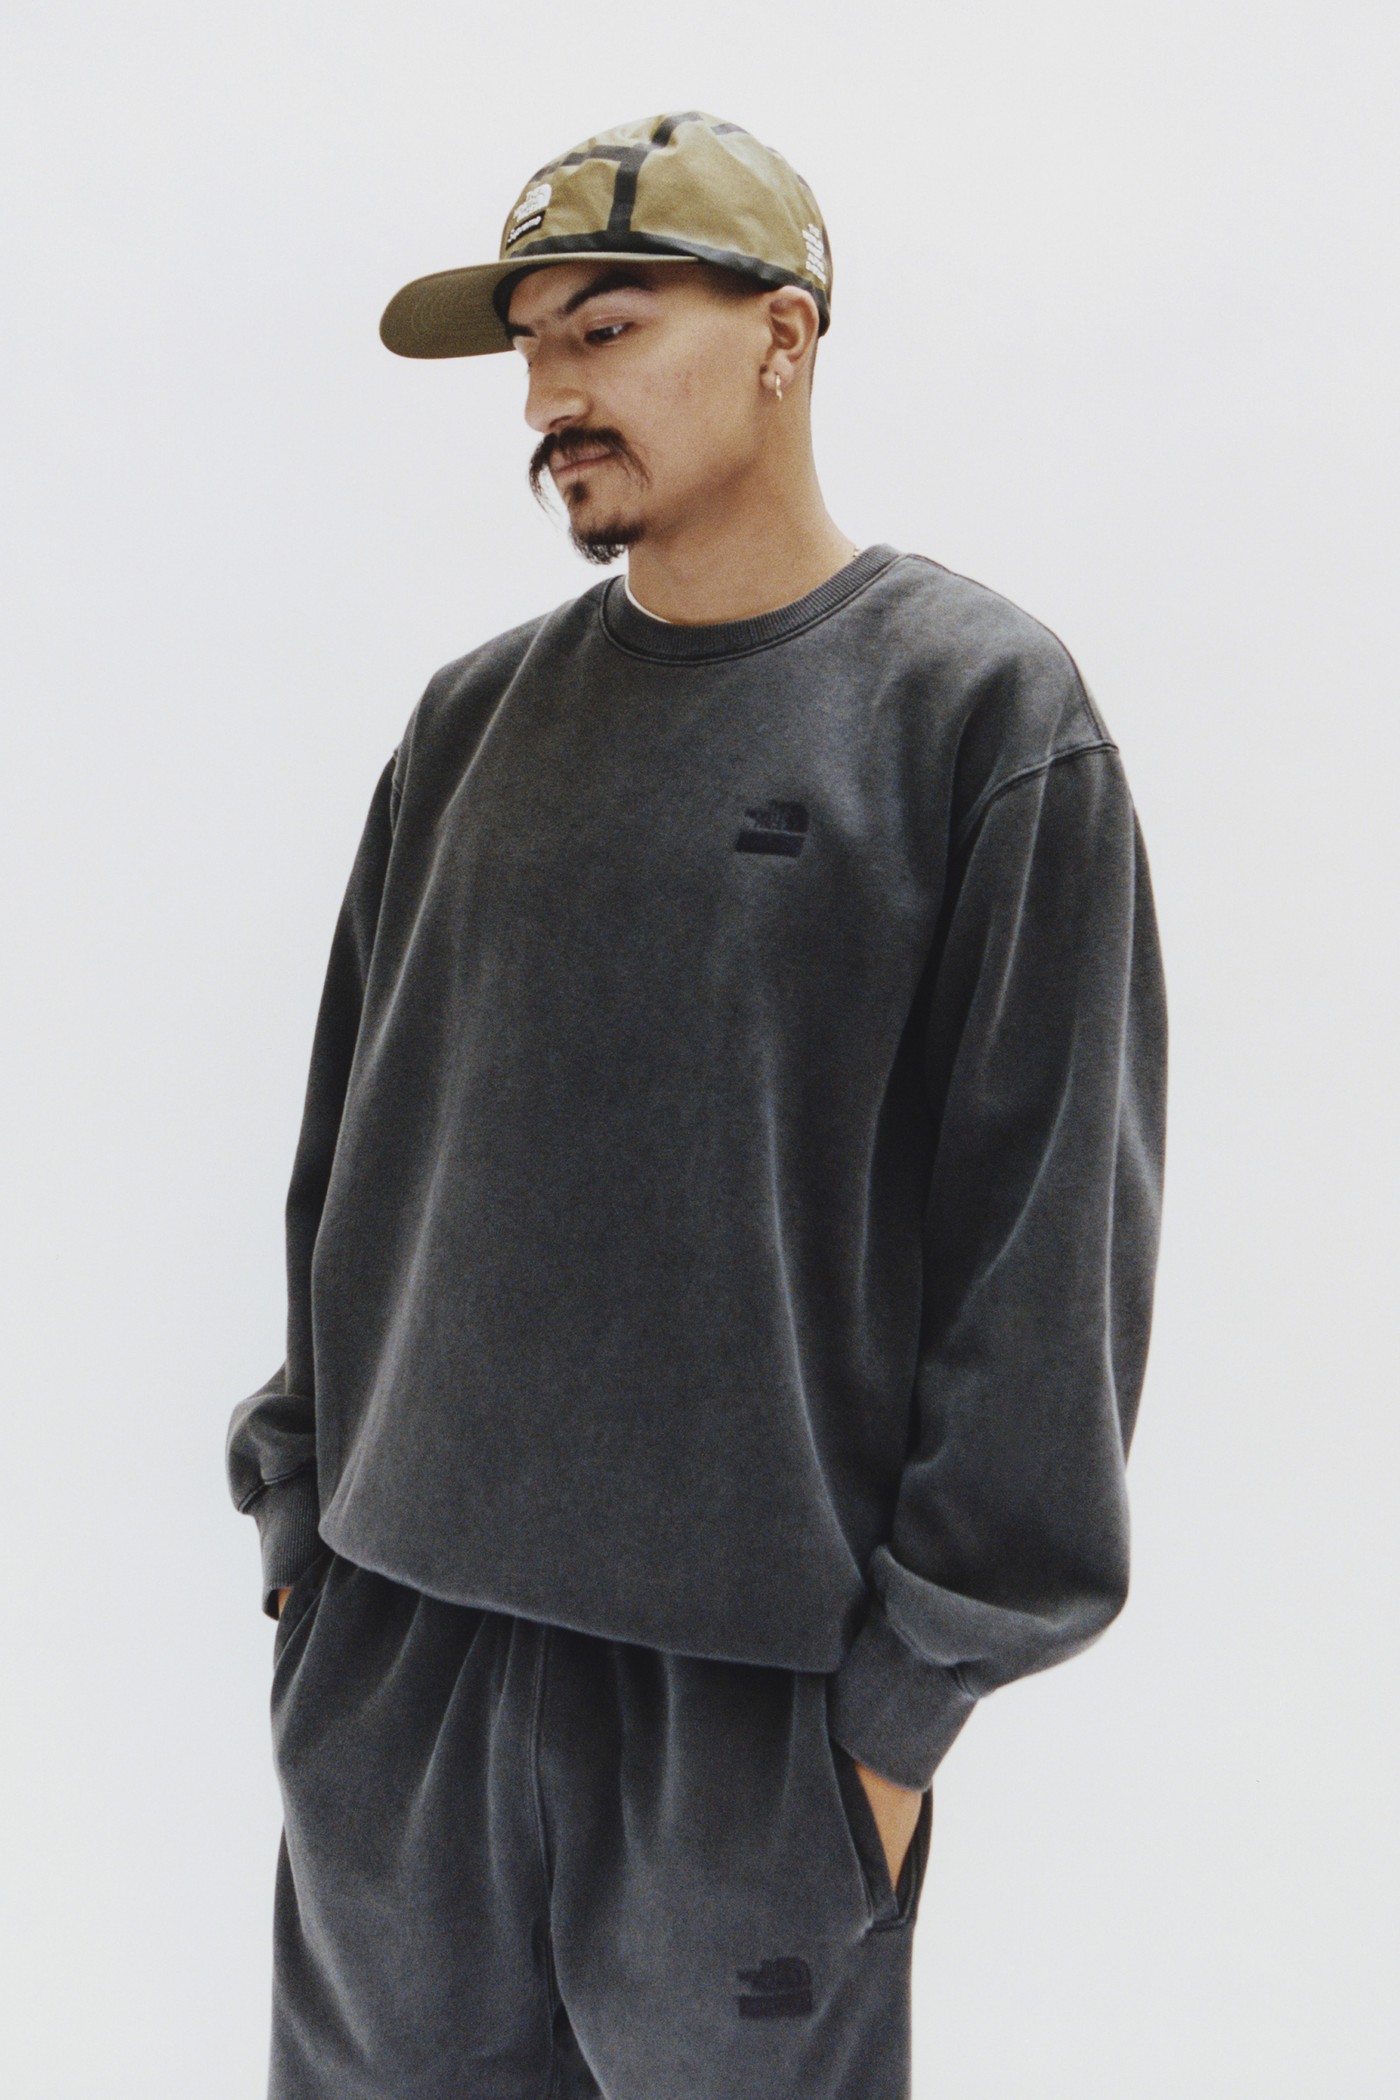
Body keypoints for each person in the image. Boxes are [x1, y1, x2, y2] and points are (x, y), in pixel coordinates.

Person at [227, 109, 1169, 2100]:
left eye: (607, 327)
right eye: (532, 349)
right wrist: (305, 1532)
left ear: (784, 336)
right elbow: (344, 1162)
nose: (549, 398)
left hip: (749, 1728)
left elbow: (1046, 1255)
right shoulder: (468, 722)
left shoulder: (977, 719)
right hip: (397, 1691)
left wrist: (896, 1721)